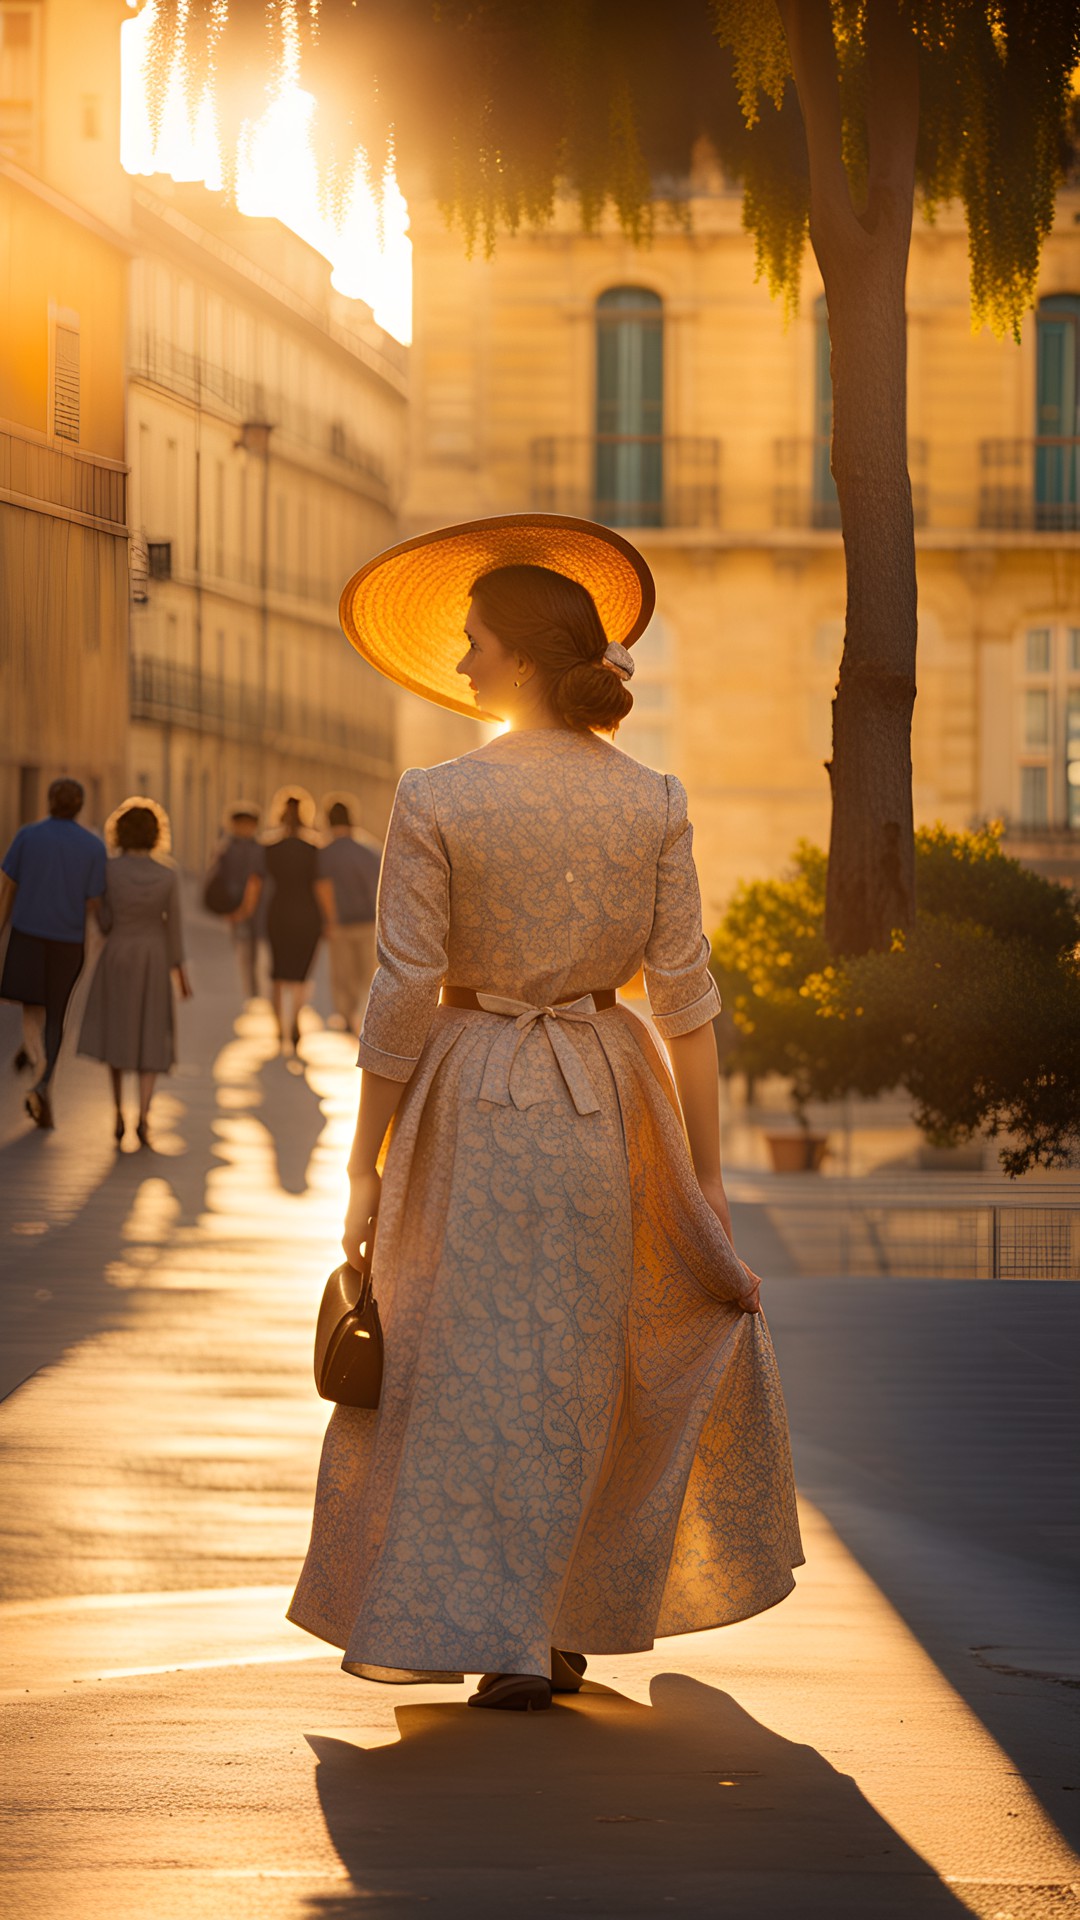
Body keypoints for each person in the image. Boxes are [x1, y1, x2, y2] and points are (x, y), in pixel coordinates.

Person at [289, 515, 803, 1712]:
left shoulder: (437, 796)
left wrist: (364, 1165)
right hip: (602, 1104)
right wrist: (706, 1184)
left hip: (468, 1098)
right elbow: (687, 1004)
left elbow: (404, 990)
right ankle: (560, 1616)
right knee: (580, 1369)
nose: (463, 665)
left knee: (464, 1374)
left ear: (517, 657)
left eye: (473, 643)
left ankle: (503, 1629)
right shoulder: (654, 798)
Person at [77, 797, 190, 1147]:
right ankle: (144, 1115)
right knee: (151, 1033)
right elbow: (174, 930)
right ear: (157, 833)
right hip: (154, 956)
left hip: (118, 954)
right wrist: (181, 977)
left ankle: (118, 1113)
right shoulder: (168, 873)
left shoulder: (109, 870)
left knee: (118, 1034)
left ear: (119, 831)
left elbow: (105, 921)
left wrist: (97, 912)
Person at [0, 777, 106, 1130]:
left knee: (32, 1008)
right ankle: (44, 1083)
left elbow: (7, 889)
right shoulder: (93, 846)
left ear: (49, 801)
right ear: (80, 806)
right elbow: (94, 901)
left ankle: (38, 1067)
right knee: (57, 1013)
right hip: (69, 941)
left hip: (28, 935)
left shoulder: (28, 836)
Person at [262, 787, 323, 1053]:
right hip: (308, 913)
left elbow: (259, 882)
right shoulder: (314, 848)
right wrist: (330, 919)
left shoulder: (270, 847)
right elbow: (322, 886)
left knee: (278, 972)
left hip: (278, 912)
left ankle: (279, 1026)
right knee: (300, 973)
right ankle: (296, 1016)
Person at [315, 800, 381, 1034]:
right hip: (369, 921)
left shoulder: (325, 853)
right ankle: (364, 1015)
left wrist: (329, 921)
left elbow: (324, 887)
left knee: (343, 975)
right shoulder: (370, 850)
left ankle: (346, 1017)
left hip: (341, 922)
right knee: (367, 973)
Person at [205, 801, 266, 1001]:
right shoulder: (226, 847)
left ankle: (252, 987)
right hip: (233, 902)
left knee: (253, 947)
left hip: (255, 905)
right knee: (242, 946)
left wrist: (246, 907)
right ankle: (248, 988)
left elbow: (257, 880)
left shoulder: (258, 848)